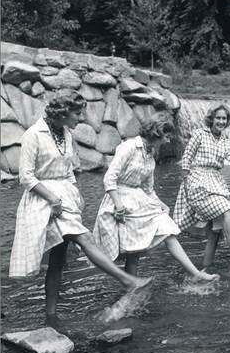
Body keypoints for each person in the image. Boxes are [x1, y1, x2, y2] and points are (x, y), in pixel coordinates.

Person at [9, 89, 151, 331]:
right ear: (63, 112)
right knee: (85, 238)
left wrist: (77, 198)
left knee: (58, 261)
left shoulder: (64, 133)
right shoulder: (34, 134)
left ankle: (51, 316)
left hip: (65, 199)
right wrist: (52, 199)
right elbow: (26, 177)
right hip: (43, 201)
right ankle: (129, 281)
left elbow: (68, 172)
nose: (80, 118)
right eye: (77, 113)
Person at [93, 118, 219, 283]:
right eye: (166, 136)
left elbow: (148, 189)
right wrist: (118, 205)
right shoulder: (129, 147)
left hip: (139, 200)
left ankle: (195, 273)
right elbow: (109, 178)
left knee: (167, 229)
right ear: (157, 133)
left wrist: (162, 205)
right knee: (133, 252)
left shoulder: (150, 154)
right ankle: (131, 286)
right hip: (119, 200)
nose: (168, 140)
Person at [173, 104, 230, 277]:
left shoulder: (225, 141)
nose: (221, 121)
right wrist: (187, 187)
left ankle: (205, 271)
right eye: (218, 118)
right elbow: (186, 160)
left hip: (216, 182)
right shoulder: (200, 134)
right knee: (226, 209)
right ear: (212, 119)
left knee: (216, 229)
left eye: (224, 119)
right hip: (197, 182)